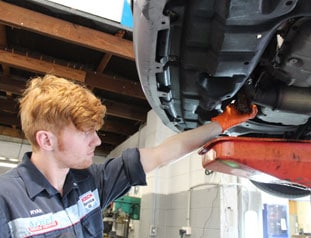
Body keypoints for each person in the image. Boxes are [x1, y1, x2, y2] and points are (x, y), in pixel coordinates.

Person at [0, 74, 257, 237]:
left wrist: (222, 123)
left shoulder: (91, 182)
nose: (97, 140)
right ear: (46, 140)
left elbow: (163, 154)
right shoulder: (6, 200)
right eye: (85, 133)